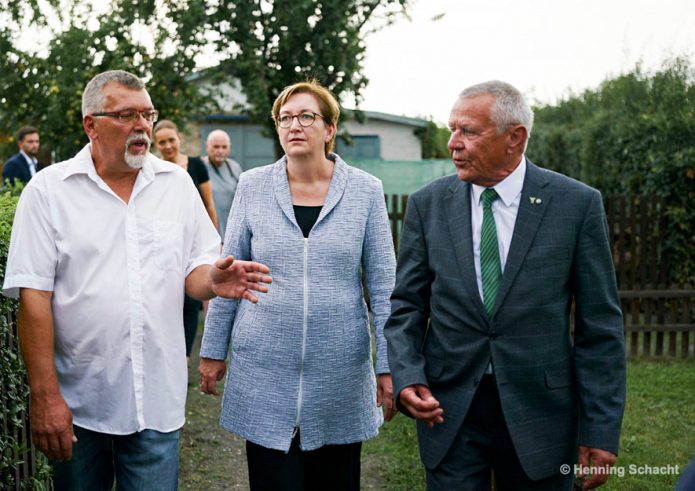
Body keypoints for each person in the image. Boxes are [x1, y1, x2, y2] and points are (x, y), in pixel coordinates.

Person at [2, 69, 271, 491]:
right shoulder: (48, 192)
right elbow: (33, 298)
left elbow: (195, 271)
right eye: (126, 115)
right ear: (91, 124)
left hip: (156, 403)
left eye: (147, 114)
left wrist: (213, 281)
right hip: (78, 402)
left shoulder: (176, 184)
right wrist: (45, 396)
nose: (142, 126)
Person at [384, 81, 626, 491]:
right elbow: (406, 305)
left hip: (541, 412)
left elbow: (599, 327)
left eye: (469, 132)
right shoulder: (428, 204)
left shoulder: (576, 205)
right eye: (452, 129)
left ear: (515, 138)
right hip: (451, 409)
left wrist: (600, 431)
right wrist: (408, 376)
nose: (453, 144)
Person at [198, 80, 397, 490]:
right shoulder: (252, 186)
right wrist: (213, 350)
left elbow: (383, 286)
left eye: (307, 116)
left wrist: (389, 364)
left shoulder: (365, 191)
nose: (294, 125)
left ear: (329, 129)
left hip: (339, 377)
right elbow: (227, 272)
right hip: (264, 373)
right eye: (285, 118)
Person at [154, 119, 219, 359]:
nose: (168, 146)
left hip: (193, 237)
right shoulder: (153, 169)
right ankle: (164, 352)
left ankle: (184, 355)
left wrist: (214, 240)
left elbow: (209, 204)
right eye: (162, 142)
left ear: (179, 138)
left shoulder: (196, 165)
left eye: (171, 140)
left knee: (191, 301)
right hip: (166, 238)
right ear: (156, 145)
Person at [202, 129, 242, 239]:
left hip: (230, 231)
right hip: (208, 231)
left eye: (224, 147)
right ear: (207, 146)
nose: (220, 151)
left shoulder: (234, 167)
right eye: (216, 147)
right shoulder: (200, 167)